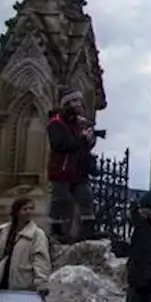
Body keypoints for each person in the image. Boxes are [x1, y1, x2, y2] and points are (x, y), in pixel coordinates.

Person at [46, 90, 97, 243]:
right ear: (67, 104)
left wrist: (90, 139)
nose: (79, 104)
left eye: (80, 101)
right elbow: (61, 145)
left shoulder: (78, 123)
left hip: (79, 170)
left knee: (86, 198)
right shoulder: (56, 123)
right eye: (75, 101)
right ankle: (57, 233)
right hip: (62, 169)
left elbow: (84, 147)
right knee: (59, 201)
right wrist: (82, 138)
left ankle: (88, 231)